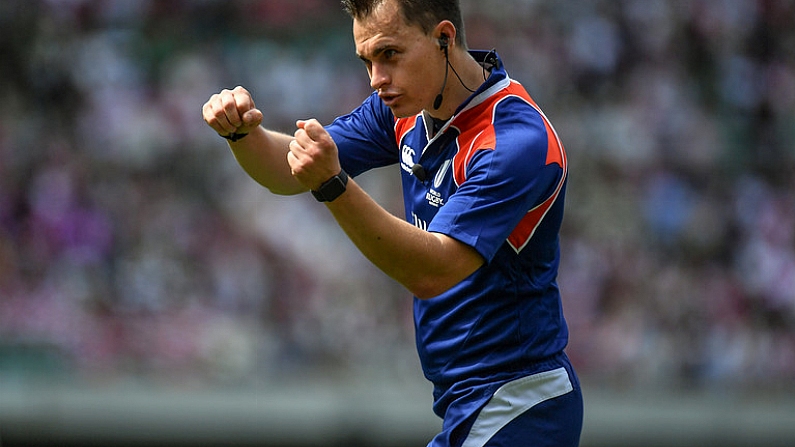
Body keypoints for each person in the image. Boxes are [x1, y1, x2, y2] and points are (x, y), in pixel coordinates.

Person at [202, 0, 583, 445]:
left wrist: (334, 186)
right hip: (474, 400)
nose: (376, 80)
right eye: (367, 61)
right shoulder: (407, 110)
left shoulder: (515, 142)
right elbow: (289, 170)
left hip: (520, 403)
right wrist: (242, 134)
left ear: (444, 38)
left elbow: (433, 270)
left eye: (389, 55)